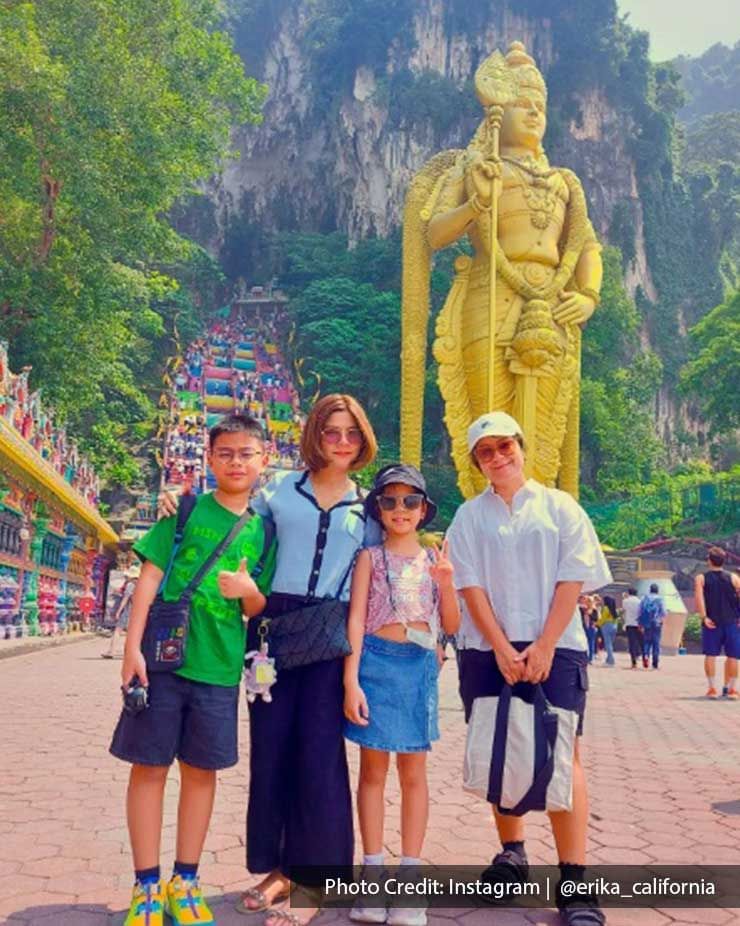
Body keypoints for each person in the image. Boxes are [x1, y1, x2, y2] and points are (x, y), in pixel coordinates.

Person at [400, 42, 603, 498]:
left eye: (539, 107)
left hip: (550, 306)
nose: (533, 114)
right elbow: (433, 233)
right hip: (488, 297)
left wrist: (587, 295)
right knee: (487, 416)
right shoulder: (477, 166)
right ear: (498, 111)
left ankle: (543, 514)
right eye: (521, 105)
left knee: (545, 422)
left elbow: (586, 245)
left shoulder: (564, 183)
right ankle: (484, 512)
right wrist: (476, 203)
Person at [447, 411, 611, 926]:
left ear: (521, 445)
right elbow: (468, 584)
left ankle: (574, 879)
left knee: (563, 751)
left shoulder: (561, 507)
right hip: (486, 645)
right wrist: (499, 646)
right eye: (486, 452)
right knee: (502, 743)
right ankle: (512, 853)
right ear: (476, 461)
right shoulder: (469, 517)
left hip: (556, 644)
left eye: (504, 446)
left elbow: (573, 577)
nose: (498, 457)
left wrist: (544, 644)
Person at [111, 414, 276, 926]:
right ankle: (146, 886)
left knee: (202, 773)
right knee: (150, 767)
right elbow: (151, 576)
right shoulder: (183, 512)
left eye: (246, 453)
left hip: (220, 668)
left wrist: (248, 593)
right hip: (163, 663)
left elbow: (259, 607)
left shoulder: (263, 530)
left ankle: (185, 879)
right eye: (225, 452)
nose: (235, 461)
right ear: (209, 457)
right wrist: (131, 648)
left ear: (264, 460)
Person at [236, 394, 377, 925]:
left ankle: (319, 878)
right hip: (271, 629)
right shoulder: (278, 492)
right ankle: (277, 869)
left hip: (328, 633)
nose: (341, 442)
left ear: (363, 441)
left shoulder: (368, 509)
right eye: (331, 432)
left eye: (351, 434)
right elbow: (239, 530)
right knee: (271, 750)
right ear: (314, 435)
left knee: (321, 753)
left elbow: (375, 583)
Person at [343, 465, 460, 926]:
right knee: (372, 772)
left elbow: (451, 626)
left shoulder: (435, 558)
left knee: (414, 771)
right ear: (378, 508)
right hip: (373, 662)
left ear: (424, 509)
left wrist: (447, 584)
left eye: (410, 501)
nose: (400, 510)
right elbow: (354, 620)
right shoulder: (369, 557)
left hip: (418, 666)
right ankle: (372, 876)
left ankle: (410, 884)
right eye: (389, 502)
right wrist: (351, 679)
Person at [694, 547, 740, 699]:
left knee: (710, 655)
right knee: (733, 656)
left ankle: (712, 688)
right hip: (732, 622)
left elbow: (699, 598)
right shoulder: (734, 578)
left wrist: (704, 617)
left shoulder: (701, 578)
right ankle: (732, 689)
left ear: (709, 560)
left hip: (712, 622)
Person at [101, 564, 138, 659]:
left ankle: (111, 651)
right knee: (132, 633)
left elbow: (125, 599)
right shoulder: (139, 584)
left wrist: (118, 611)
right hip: (136, 612)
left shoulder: (130, 585)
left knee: (117, 631)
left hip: (128, 611)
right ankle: (131, 652)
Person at [638, 583, 666, 670]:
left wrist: (640, 623)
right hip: (656, 624)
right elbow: (664, 612)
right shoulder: (660, 599)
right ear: (657, 590)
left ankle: (646, 656)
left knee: (646, 642)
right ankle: (655, 663)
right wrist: (661, 619)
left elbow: (640, 611)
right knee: (656, 643)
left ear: (650, 589)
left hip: (646, 623)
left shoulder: (644, 598)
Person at [621, 588, 642, 669]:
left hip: (629, 623)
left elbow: (624, 610)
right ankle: (639, 654)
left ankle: (633, 661)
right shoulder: (639, 601)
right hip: (638, 623)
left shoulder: (626, 601)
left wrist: (624, 597)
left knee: (631, 643)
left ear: (629, 593)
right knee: (638, 641)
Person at [597, 596, 618, 667]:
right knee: (610, 644)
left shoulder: (605, 609)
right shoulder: (614, 609)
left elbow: (603, 619)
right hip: (614, 626)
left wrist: (597, 624)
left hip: (606, 626)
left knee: (608, 644)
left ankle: (611, 661)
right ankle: (608, 659)